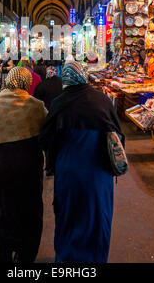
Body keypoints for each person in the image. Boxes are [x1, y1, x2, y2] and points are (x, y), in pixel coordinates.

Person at [38, 62, 124, 263]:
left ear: (66, 79)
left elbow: (45, 140)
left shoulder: (60, 103)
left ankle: (67, 261)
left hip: (70, 170)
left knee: (70, 215)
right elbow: (118, 136)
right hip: (99, 172)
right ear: (83, 76)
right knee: (97, 216)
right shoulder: (102, 100)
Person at [0, 67, 48, 263]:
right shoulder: (36, 105)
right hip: (29, 164)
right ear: (27, 83)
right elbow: (46, 131)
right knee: (30, 209)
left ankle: (2, 257)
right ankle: (25, 256)